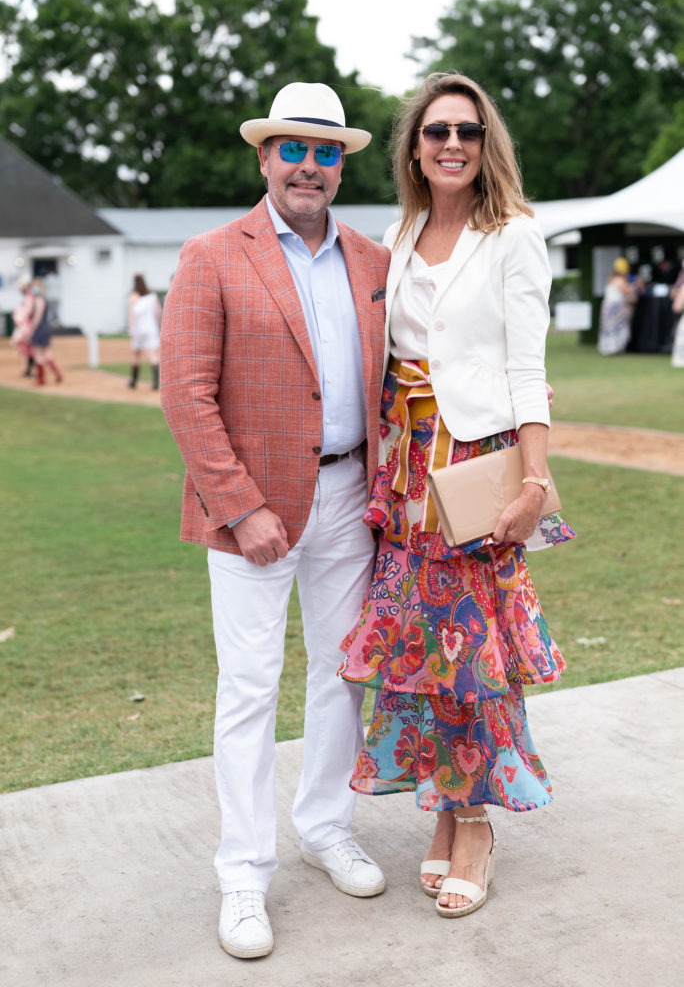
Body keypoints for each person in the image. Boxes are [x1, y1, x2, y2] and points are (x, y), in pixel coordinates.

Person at [160, 83, 389, 960]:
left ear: (340, 166)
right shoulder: (213, 254)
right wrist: (241, 504)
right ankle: (244, 872)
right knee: (251, 689)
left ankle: (324, 827)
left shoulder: (371, 261)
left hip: (349, 501)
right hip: (252, 509)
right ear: (264, 158)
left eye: (325, 152)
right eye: (293, 148)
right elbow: (186, 394)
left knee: (342, 675)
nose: (309, 165)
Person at [338, 71, 575, 919]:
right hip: (404, 474)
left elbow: (527, 368)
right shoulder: (395, 237)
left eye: (468, 132)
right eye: (436, 130)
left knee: (473, 652)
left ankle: (474, 823)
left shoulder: (512, 234)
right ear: (412, 146)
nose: (451, 144)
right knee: (425, 654)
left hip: (475, 467)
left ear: (486, 145)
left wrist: (536, 482)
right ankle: (445, 808)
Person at [27, 277, 63, 386]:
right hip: (45, 327)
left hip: (40, 328)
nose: (34, 288)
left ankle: (41, 379)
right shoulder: (45, 298)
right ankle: (57, 373)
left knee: (38, 353)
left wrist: (32, 328)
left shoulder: (39, 299)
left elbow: (37, 315)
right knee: (44, 353)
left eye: (35, 286)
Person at [127, 274, 162, 389]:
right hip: (150, 328)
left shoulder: (133, 297)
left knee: (136, 355)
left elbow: (132, 315)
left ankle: (133, 381)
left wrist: (131, 328)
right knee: (152, 354)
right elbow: (158, 312)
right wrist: (158, 326)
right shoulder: (152, 296)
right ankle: (156, 383)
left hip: (138, 329)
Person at [598, 256, 637, 355]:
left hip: (608, 308)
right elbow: (627, 291)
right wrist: (637, 284)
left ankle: (609, 348)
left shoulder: (611, 279)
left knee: (609, 328)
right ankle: (615, 348)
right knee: (618, 328)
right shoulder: (620, 280)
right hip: (616, 309)